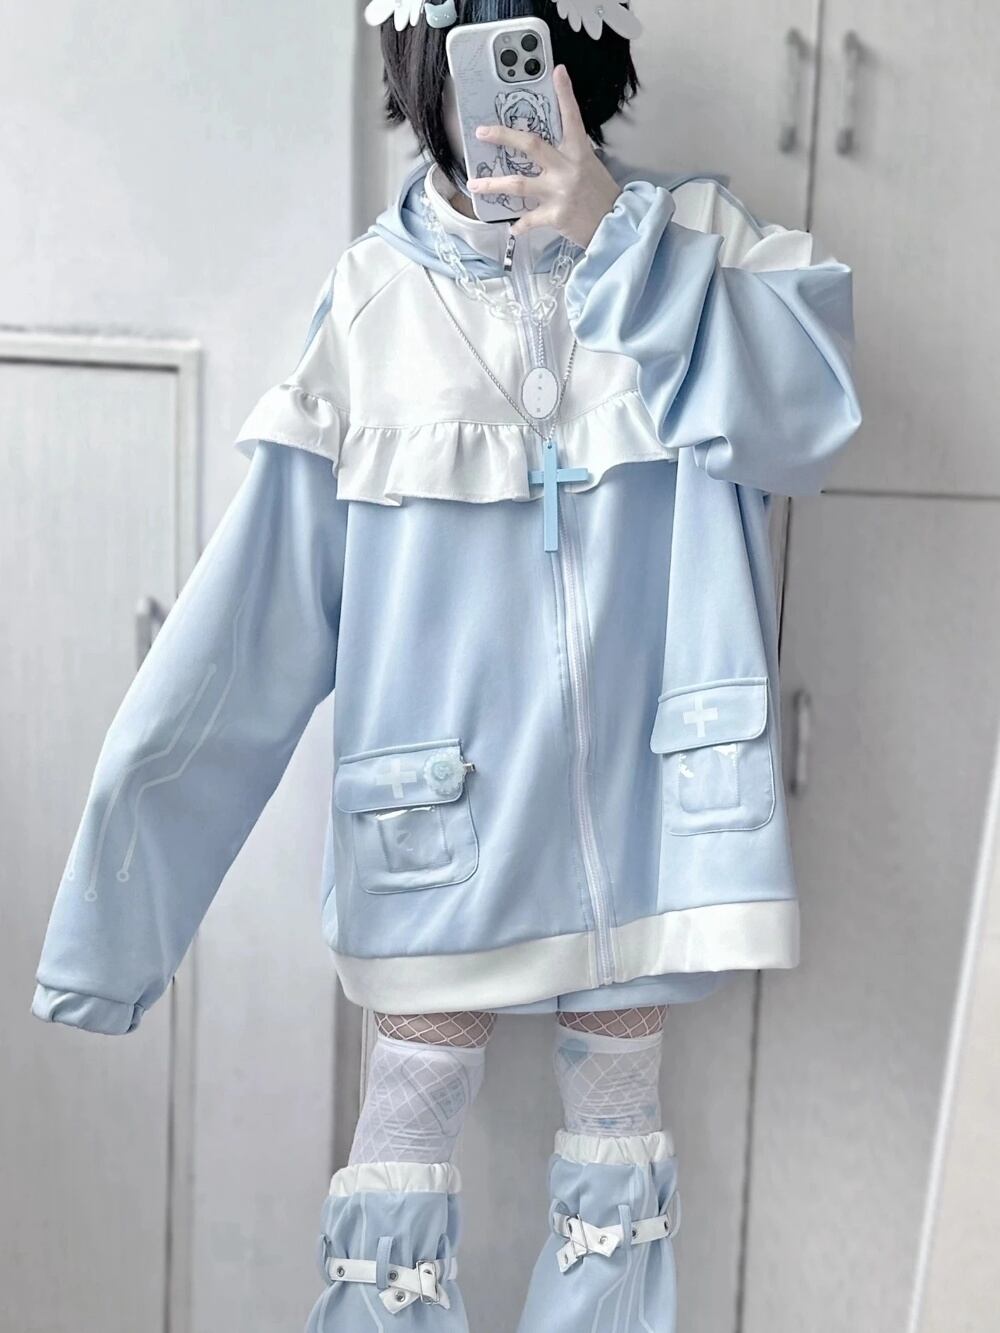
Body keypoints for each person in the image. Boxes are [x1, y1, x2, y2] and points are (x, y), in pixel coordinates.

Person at [31, 0, 861, 1327]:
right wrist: (110, 934)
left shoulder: (693, 243)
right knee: (403, 1137)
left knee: (619, 1168)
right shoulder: (375, 299)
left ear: (584, 58)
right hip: (439, 832)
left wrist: (609, 226)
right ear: (421, 66)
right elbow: (246, 628)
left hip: (651, 821)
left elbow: (809, 414)